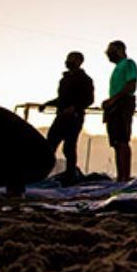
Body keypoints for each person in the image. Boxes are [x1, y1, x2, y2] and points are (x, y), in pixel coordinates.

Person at [38, 51, 95, 181]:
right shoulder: (64, 80)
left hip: (74, 118)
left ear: (79, 62)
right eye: (68, 58)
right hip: (61, 116)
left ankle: (70, 174)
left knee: (69, 147)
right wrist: (47, 104)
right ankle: (40, 173)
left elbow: (89, 99)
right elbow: (61, 99)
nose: (69, 61)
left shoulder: (85, 79)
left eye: (72, 59)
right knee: (50, 145)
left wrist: (74, 108)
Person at [102, 40, 137, 182]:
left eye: (111, 50)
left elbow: (131, 85)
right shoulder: (117, 68)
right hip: (114, 106)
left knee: (122, 140)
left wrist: (113, 100)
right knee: (116, 142)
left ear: (120, 50)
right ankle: (120, 176)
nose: (108, 53)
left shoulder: (128, 64)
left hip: (123, 103)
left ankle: (125, 177)